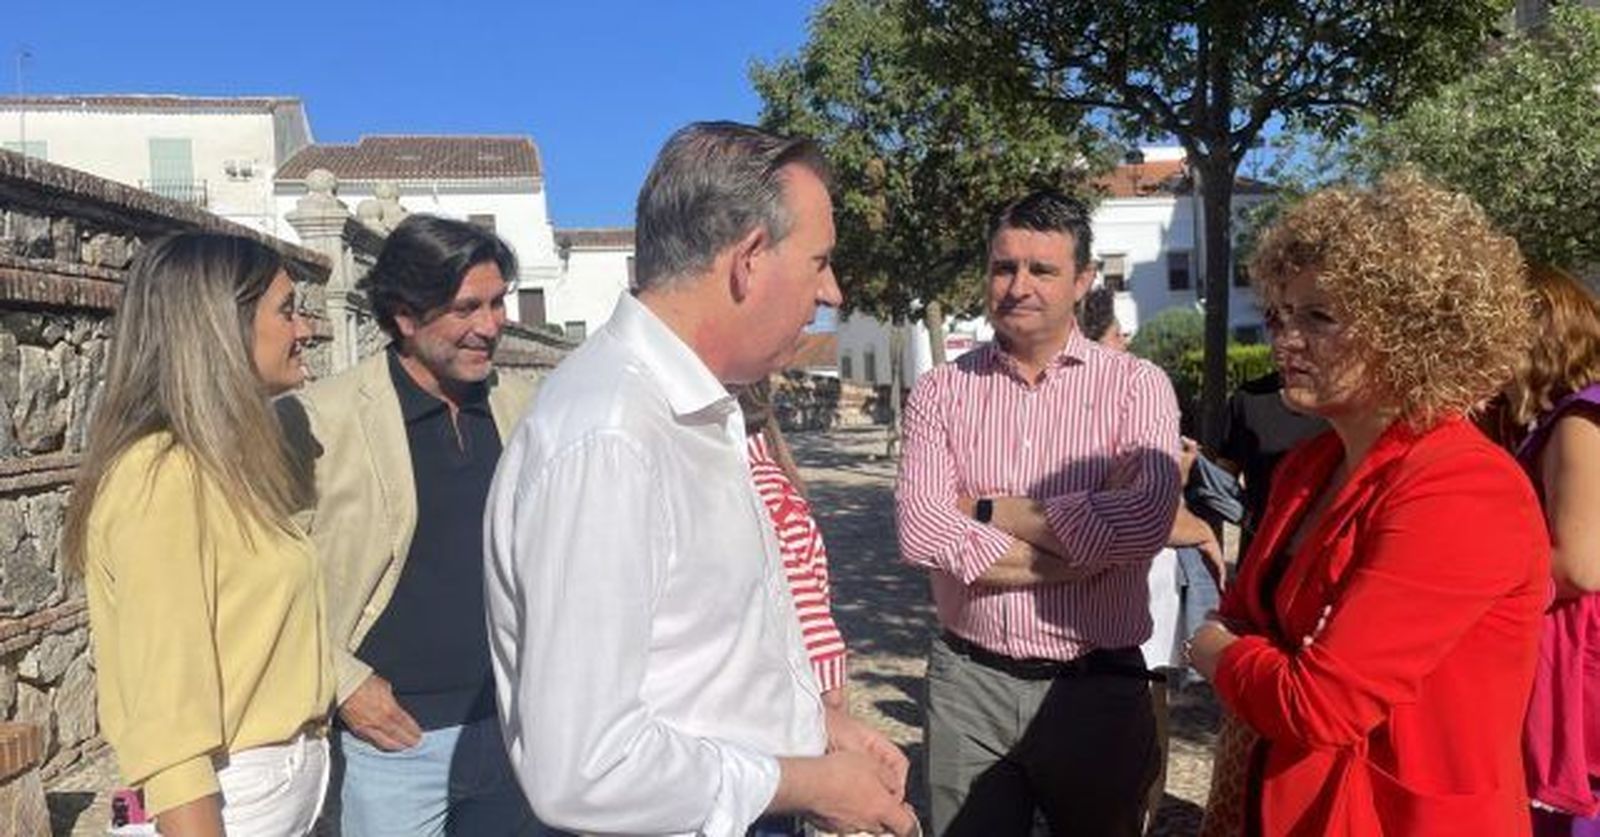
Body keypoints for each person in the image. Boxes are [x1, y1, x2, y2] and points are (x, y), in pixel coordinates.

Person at [483, 122, 916, 837]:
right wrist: (812, 781)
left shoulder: (694, 410)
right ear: (748, 260)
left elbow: (701, 665)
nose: (832, 292)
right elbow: (584, 768)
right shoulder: (612, 436)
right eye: (819, 261)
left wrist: (815, 728)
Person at [1187, 171, 1549, 836]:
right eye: (1280, 314)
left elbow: (1318, 703)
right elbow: (1248, 613)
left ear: (1414, 329)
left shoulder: (1463, 485)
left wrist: (1211, 649)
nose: (1285, 340)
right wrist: (1245, 648)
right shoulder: (1309, 464)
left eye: (1318, 316)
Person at [897, 191, 1181, 836]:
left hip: (1096, 689)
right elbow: (921, 528)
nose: (1018, 285)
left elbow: (1144, 521)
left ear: (1083, 280)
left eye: (1042, 270)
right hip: (969, 684)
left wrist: (985, 510)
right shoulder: (943, 390)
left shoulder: (1137, 387)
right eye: (1004, 267)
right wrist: (1084, 549)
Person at [279, 215, 542, 835]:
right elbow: (266, 581)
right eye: (467, 307)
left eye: (499, 302)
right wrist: (343, 684)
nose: (492, 324)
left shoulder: (525, 407)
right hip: (392, 749)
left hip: (513, 732)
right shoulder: (318, 419)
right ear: (404, 315)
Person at [67, 233, 330, 836]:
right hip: (220, 808)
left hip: (262, 797)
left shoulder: (223, 465)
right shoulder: (160, 479)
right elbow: (168, 719)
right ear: (222, 324)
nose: (305, 330)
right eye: (286, 310)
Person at [1484, 264, 1600, 834]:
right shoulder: (1549, 418)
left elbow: (1581, 563)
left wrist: (1478, 593)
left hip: (1584, 659)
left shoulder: (1581, 418)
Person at [737, 380, 852, 705]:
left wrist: (828, 703)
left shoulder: (757, 487)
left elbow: (805, 608)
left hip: (782, 698)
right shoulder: (762, 478)